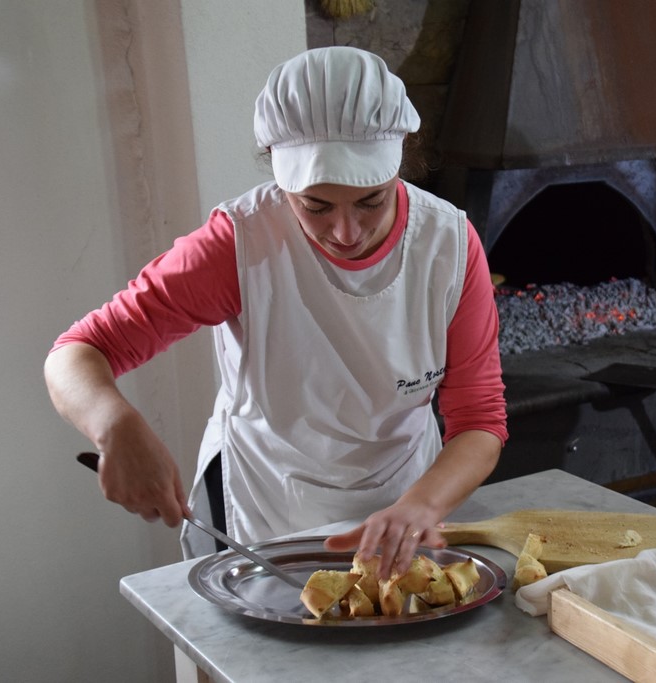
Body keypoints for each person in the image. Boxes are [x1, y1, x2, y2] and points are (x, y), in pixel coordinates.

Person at [43, 46, 507, 579]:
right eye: (315, 206)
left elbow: (479, 421)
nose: (346, 232)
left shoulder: (447, 245)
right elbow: (75, 353)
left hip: (407, 497)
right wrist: (114, 425)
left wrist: (422, 504)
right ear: (279, 178)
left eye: (370, 201)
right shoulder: (238, 244)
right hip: (267, 505)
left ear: (401, 158)